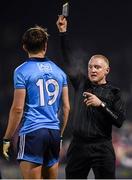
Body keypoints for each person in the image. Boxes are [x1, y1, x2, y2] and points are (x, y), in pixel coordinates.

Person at [56, 16, 126, 179]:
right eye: (90, 67)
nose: (93, 70)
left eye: (97, 67)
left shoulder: (114, 92)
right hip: (78, 146)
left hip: (102, 147)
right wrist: (63, 33)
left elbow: (119, 121)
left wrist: (100, 104)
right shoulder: (81, 83)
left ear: (106, 70)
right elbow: (68, 60)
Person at [3, 25, 70, 179]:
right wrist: (60, 135)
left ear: (24, 47)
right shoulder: (59, 71)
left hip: (33, 132)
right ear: (45, 46)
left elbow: (17, 109)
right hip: (53, 133)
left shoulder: (21, 71)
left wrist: (7, 138)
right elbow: (66, 108)